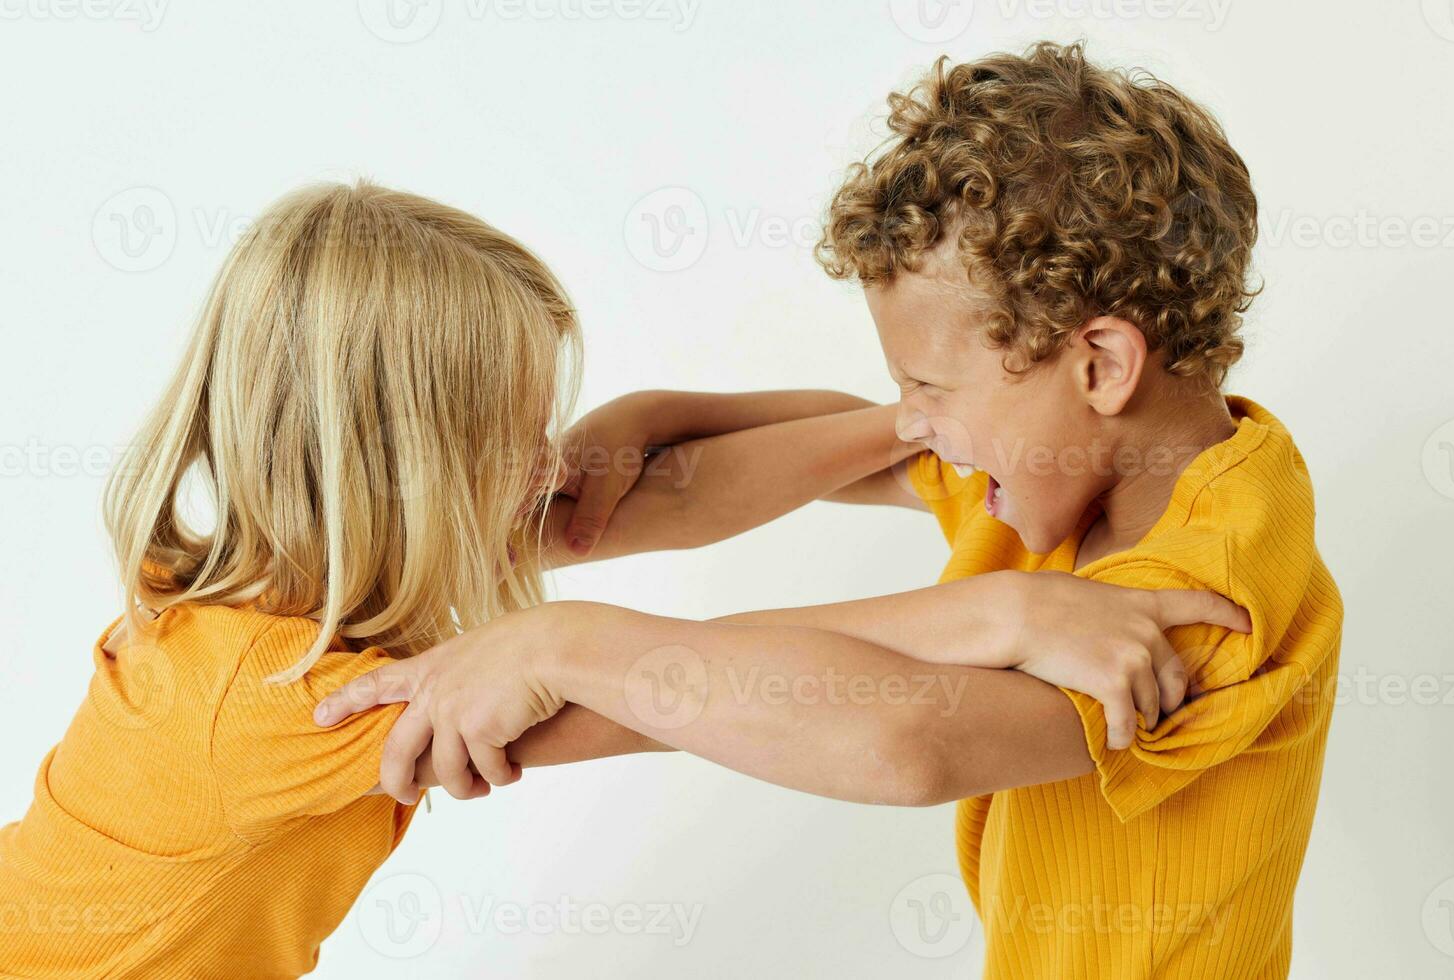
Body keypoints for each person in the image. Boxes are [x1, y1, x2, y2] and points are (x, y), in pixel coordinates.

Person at [0, 180, 1219, 978]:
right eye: (514, 438)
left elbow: (661, 489)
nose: (551, 464)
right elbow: (693, 690)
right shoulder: (289, 694)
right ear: (404, 468)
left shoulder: (313, 562)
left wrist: (923, 419)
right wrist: (998, 609)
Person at [317, 43, 1342, 978]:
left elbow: (905, 736)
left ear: (1100, 363)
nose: (915, 418)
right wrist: (655, 418)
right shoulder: (1072, 462)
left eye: (933, 385)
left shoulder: (1207, 591)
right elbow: (834, 447)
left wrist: (564, 652)